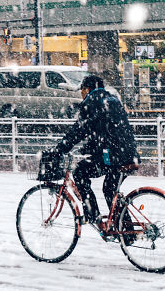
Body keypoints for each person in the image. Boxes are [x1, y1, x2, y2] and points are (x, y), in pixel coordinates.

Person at [49, 75, 139, 227]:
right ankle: (126, 231)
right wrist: (90, 147)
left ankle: (92, 215)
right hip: (129, 154)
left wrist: (60, 148)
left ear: (87, 89)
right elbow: (108, 129)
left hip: (112, 155)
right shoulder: (112, 99)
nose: (81, 94)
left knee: (79, 172)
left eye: (82, 91)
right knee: (110, 189)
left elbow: (79, 130)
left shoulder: (90, 103)